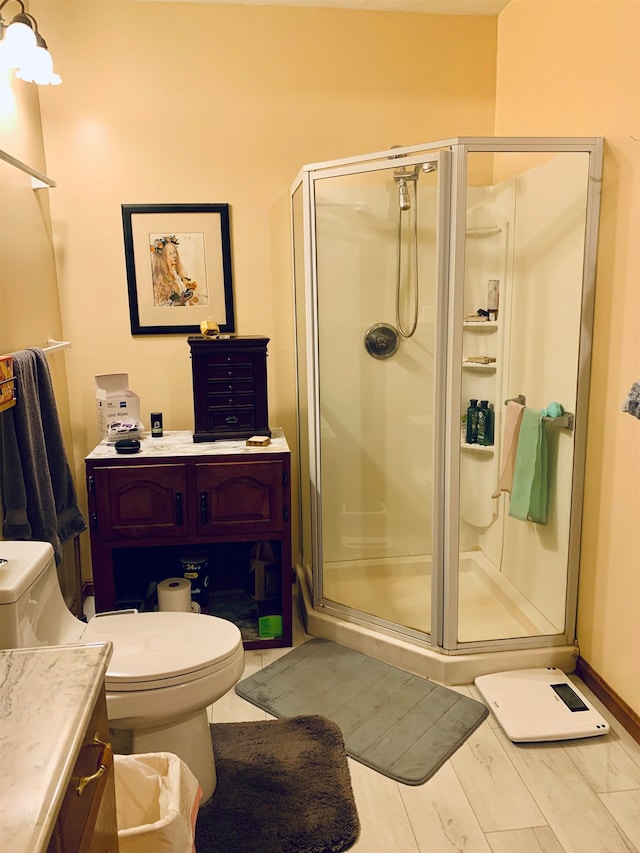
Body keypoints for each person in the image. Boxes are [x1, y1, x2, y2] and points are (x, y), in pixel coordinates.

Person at [150, 235, 199, 306]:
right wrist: (180, 302)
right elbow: (161, 305)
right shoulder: (161, 280)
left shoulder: (178, 274)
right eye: (170, 253)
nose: (174, 255)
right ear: (164, 257)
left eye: (175, 252)